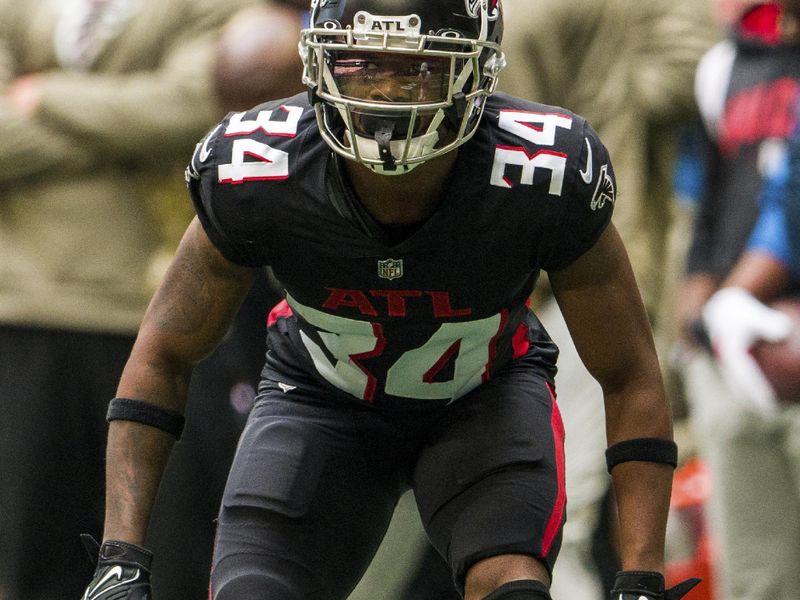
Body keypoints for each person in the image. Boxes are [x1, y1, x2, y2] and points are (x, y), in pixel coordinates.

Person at [80, 1, 698, 599]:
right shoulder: (259, 170)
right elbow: (163, 354)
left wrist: (642, 575)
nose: (384, 93)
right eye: (363, 66)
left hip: (482, 401)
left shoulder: (544, 172)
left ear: (476, 72)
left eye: (417, 69)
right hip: (320, 403)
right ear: (320, 61)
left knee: (510, 584)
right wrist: (119, 555)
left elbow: (628, 374)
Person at [0, 1, 254, 599]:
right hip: (27, 307)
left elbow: (195, 115)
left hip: (163, 315)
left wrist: (42, 97)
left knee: (165, 562)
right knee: (36, 564)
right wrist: (128, 128)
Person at [491, 2, 719, 598]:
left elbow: (699, 59)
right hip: (522, 289)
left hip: (573, 278)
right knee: (541, 522)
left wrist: (612, 75)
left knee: (554, 522)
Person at [676, 1, 800, 598]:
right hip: (730, 339)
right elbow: (705, 202)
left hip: (778, 326)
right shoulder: (724, 64)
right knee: (755, 574)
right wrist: (702, 315)